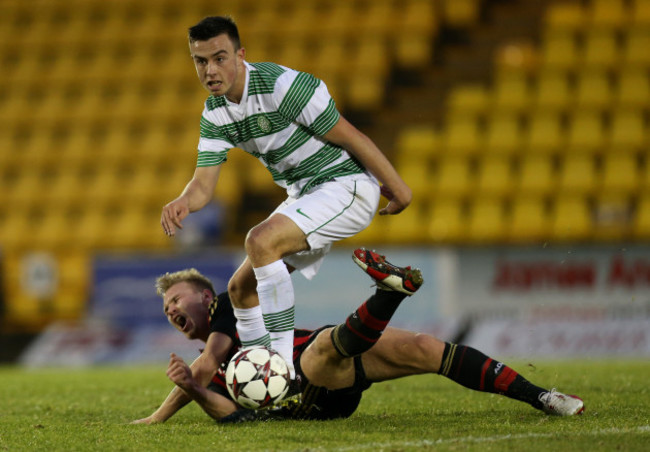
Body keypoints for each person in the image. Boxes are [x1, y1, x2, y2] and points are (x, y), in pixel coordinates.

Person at [159, 16, 412, 379]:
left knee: (259, 241)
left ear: (240, 54)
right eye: (200, 61)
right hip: (305, 195)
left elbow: (351, 137)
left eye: (219, 58)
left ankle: (278, 370)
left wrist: (399, 189)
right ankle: (260, 382)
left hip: (345, 184)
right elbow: (202, 186)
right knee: (239, 289)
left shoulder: (283, 86)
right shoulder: (215, 113)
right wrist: (184, 200)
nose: (210, 70)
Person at [132, 248, 584, 424]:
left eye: (176, 298)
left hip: (331, 358)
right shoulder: (205, 372)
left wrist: (282, 243)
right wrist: (191, 388)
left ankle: (543, 397)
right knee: (324, 349)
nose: (170, 309)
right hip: (309, 392)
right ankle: (389, 295)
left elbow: (251, 281)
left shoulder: (230, 309)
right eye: (165, 307)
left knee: (427, 349)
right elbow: (234, 418)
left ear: (205, 297)